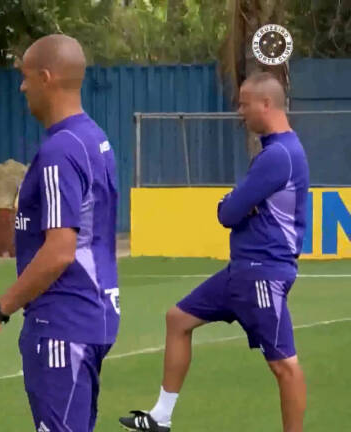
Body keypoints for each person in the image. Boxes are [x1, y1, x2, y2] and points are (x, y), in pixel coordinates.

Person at [119, 71, 309, 432]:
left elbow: (228, 212)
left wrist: (236, 205)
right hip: (243, 271)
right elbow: (236, 208)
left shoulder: (278, 155)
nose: (239, 111)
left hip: (262, 272)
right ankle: (161, 416)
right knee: (178, 319)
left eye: (244, 103)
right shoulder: (279, 151)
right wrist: (238, 205)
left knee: (284, 364)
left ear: (266, 104)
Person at [0, 34, 120, 432]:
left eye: (25, 76)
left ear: (46, 77)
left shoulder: (59, 151)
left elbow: (60, 249)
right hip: (92, 315)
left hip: (62, 322)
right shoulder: (95, 139)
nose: (22, 86)